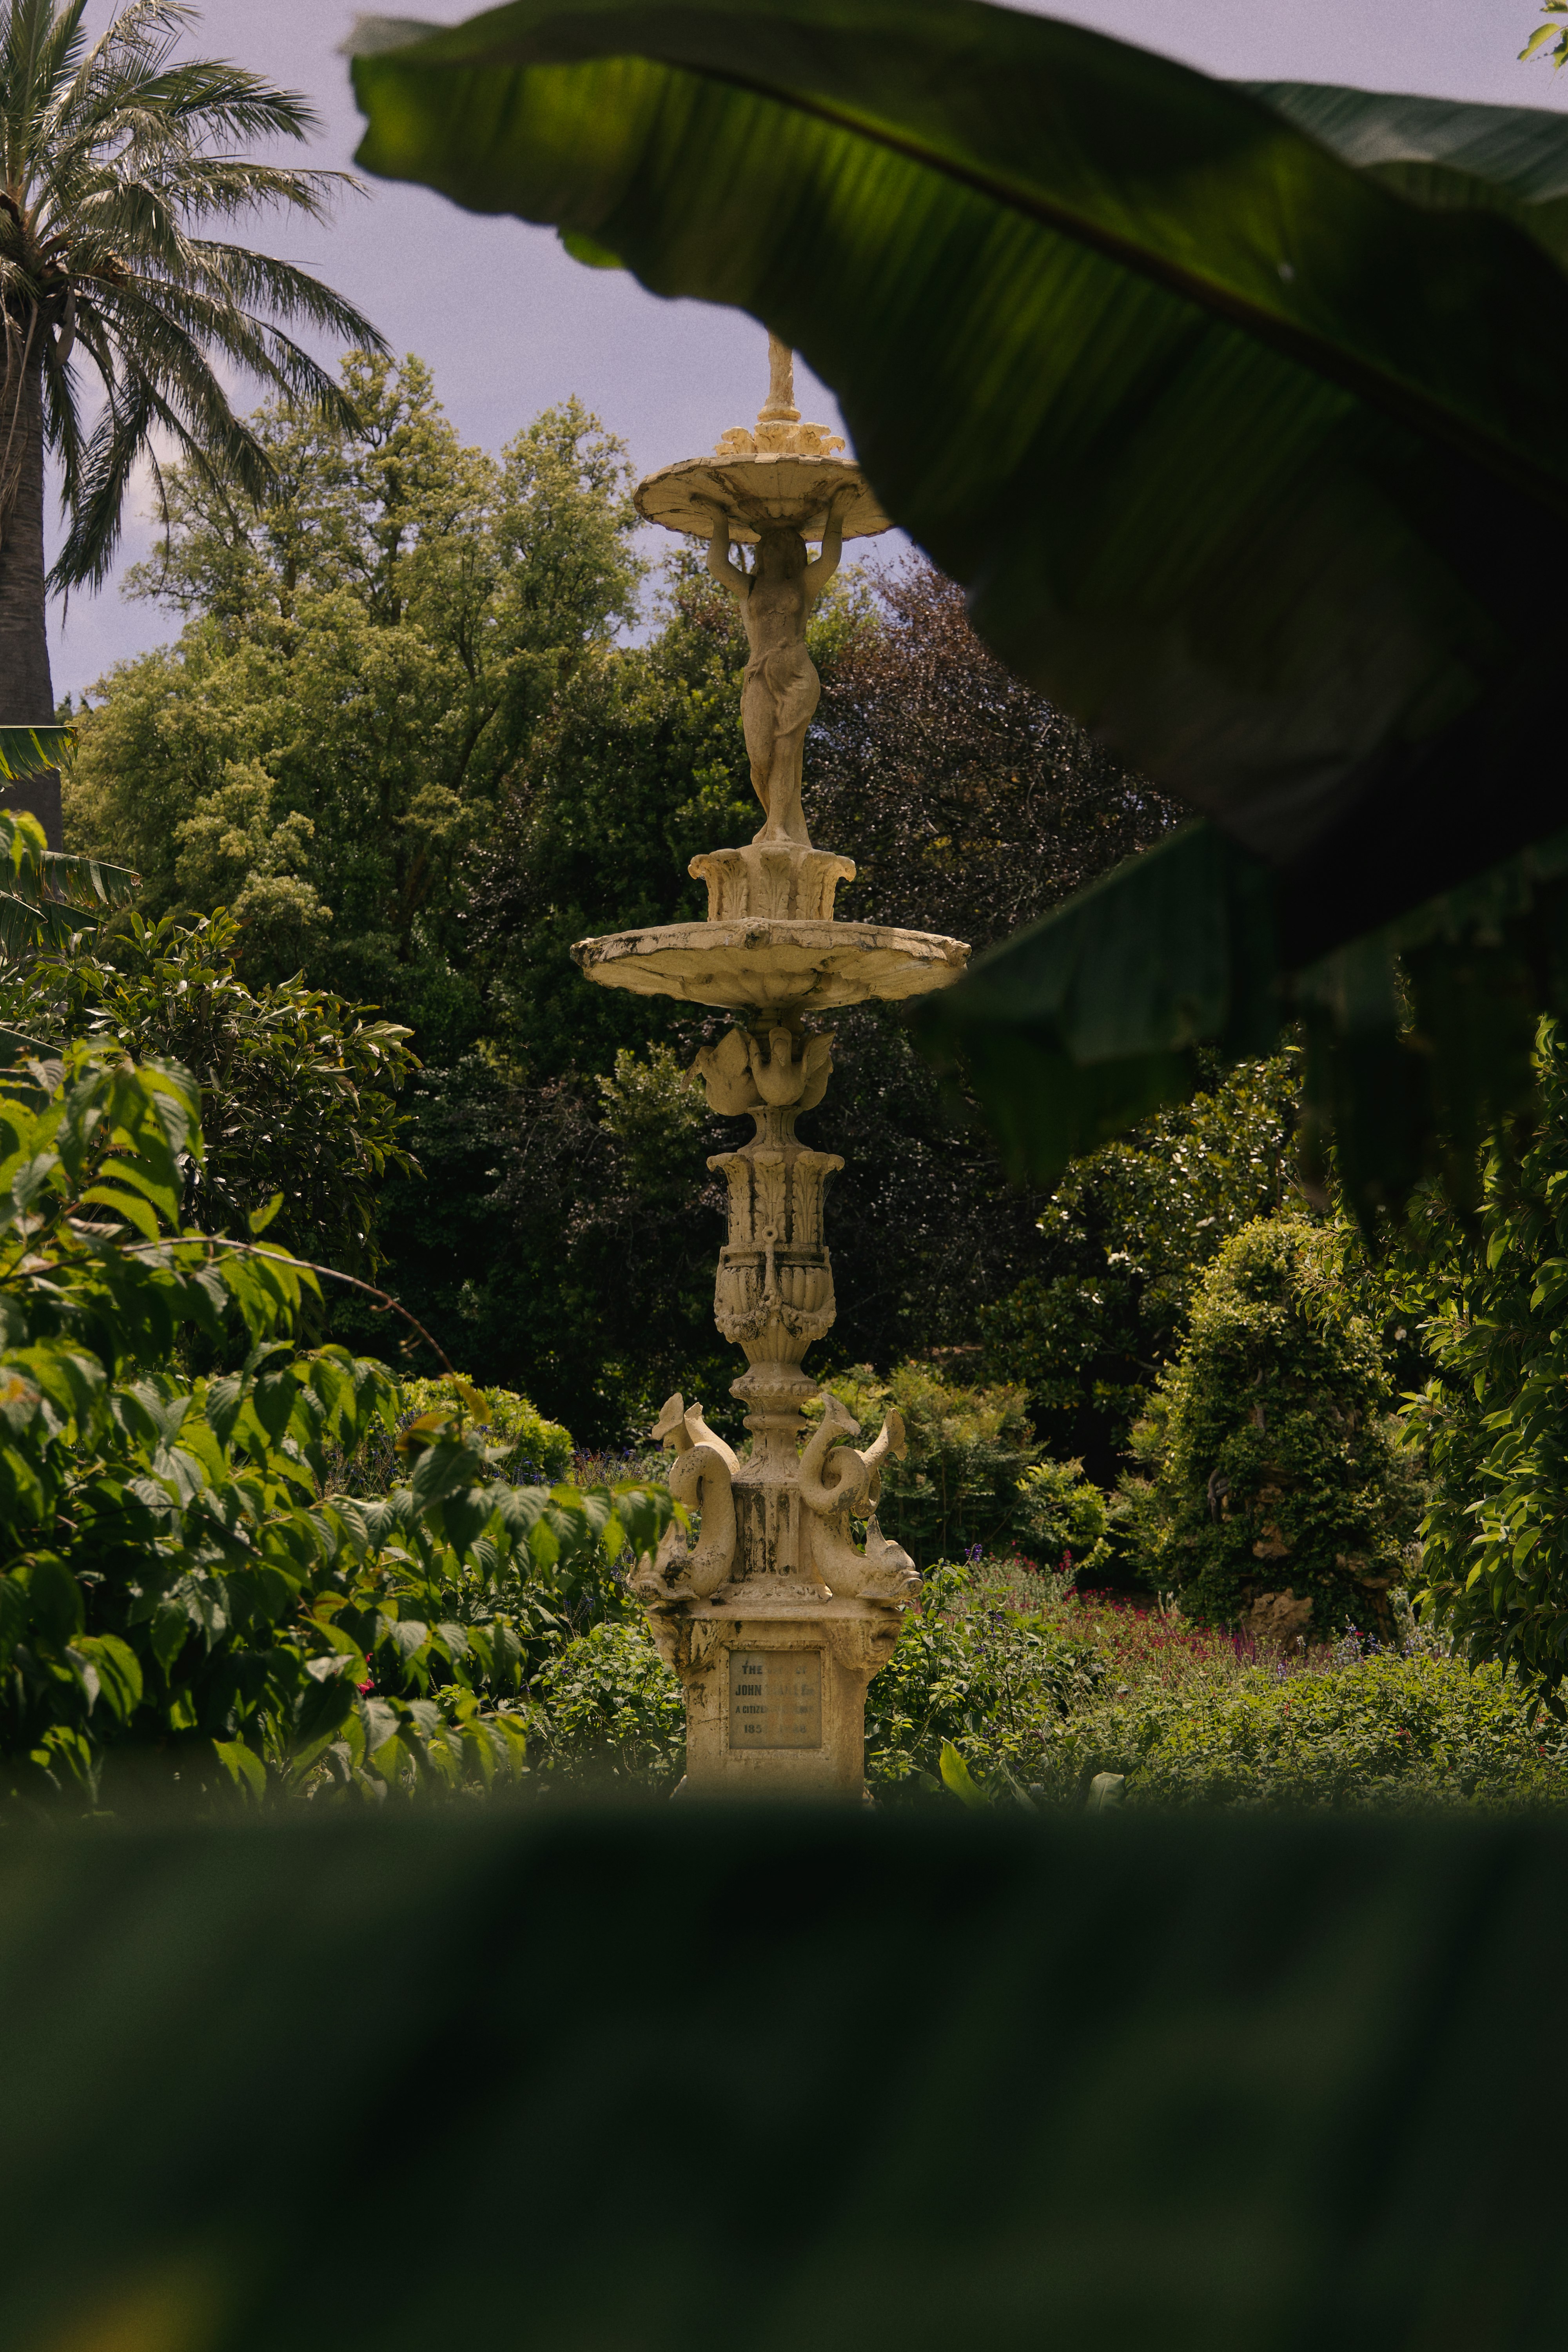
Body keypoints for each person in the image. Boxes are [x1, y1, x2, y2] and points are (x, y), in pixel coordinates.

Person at [701, 483, 856, 846]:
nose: (781, 553)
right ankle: (775, 817)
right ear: (763, 553)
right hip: (759, 673)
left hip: (797, 673)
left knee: (787, 749)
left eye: (790, 548)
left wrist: (839, 514)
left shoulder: (803, 584)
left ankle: (779, 828)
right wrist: (718, 520)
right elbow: (717, 564)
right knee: (759, 755)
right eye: (774, 547)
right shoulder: (748, 588)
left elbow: (830, 561)